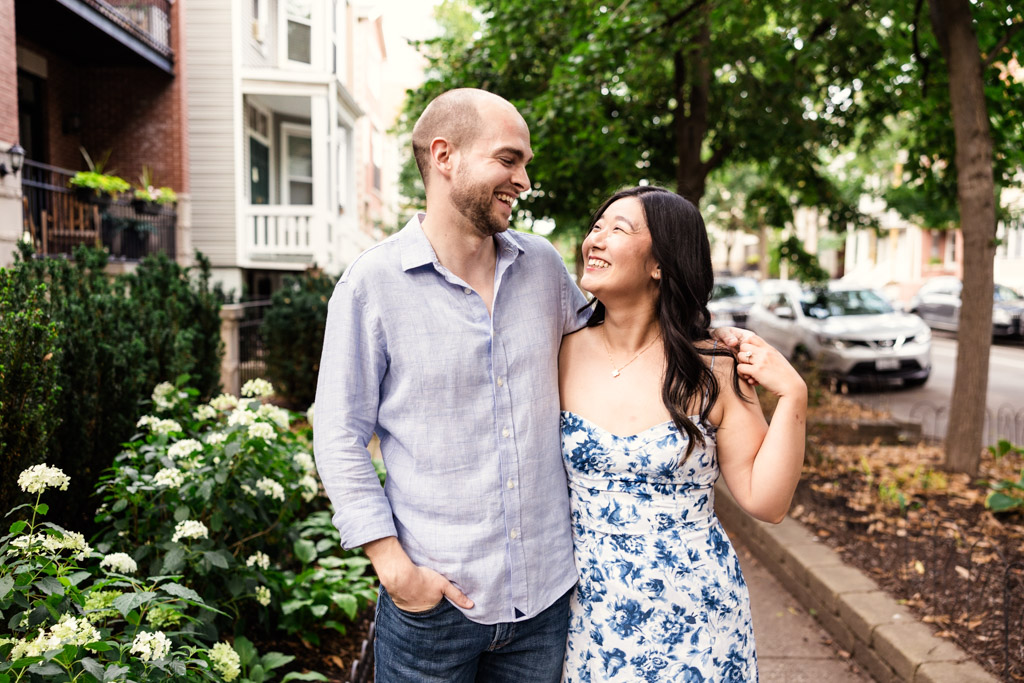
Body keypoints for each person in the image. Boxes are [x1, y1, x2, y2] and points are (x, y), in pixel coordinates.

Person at [312, 88, 591, 682]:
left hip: (543, 604)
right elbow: (338, 435)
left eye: (525, 165)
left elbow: (615, 350)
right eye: (509, 160)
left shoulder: (544, 267)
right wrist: (393, 567)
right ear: (445, 156)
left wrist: (705, 347)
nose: (524, 180)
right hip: (433, 611)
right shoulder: (372, 285)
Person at [558, 186, 807, 681]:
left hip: (694, 613)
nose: (595, 240)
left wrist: (794, 396)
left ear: (660, 264)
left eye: (619, 229)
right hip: (584, 610)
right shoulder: (557, 350)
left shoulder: (711, 368)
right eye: (597, 227)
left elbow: (767, 501)